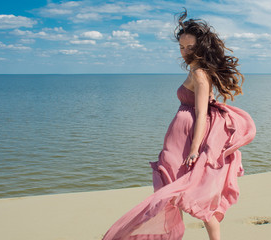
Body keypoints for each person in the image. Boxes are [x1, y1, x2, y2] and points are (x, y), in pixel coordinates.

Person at [102, 9, 256, 240]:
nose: (185, 52)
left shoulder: (200, 74)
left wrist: (194, 150)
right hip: (176, 144)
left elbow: (202, 112)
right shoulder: (195, 70)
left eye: (190, 47)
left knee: (191, 197)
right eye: (182, 47)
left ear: (201, 47)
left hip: (186, 145)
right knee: (171, 196)